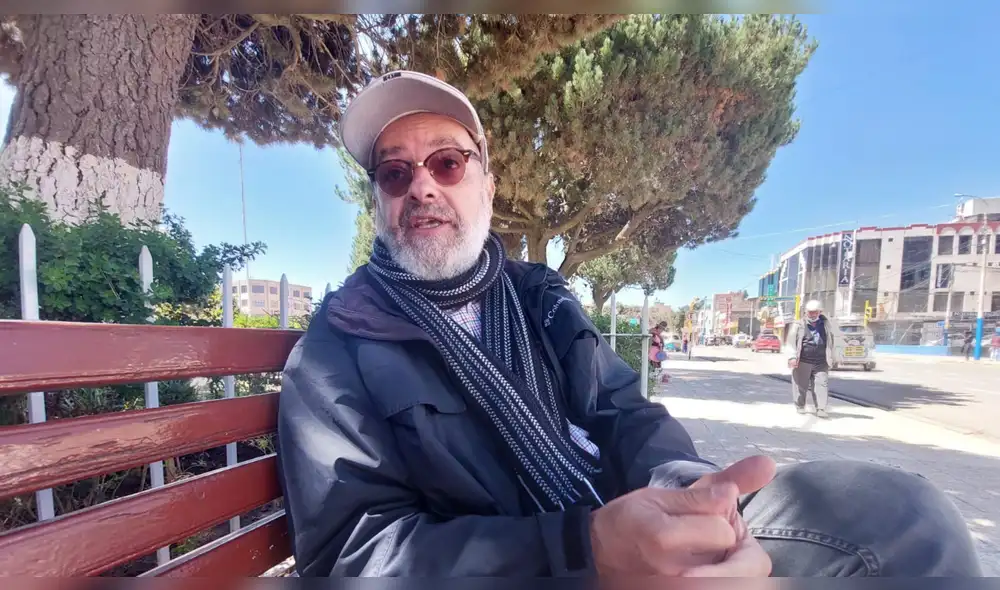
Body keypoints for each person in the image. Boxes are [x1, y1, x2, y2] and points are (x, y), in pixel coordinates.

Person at [276, 70, 982, 578]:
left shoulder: (538, 298)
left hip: (631, 527)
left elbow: (622, 413)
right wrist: (583, 547)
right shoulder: (337, 349)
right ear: (378, 201)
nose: (422, 184)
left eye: (447, 162)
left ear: (486, 184)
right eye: (395, 173)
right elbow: (355, 555)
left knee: (905, 514)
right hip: (552, 565)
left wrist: (695, 496)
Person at [785, 300, 835, 419]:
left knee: (821, 384)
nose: (812, 315)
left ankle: (821, 408)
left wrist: (833, 357)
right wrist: (792, 357)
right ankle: (800, 405)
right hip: (803, 360)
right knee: (800, 385)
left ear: (820, 312)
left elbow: (833, 341)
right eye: (810, 312)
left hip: (821, 361)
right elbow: (791, 342)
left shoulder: (827, 324)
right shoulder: (798, 325)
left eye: (815, 312)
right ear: (806, 312)